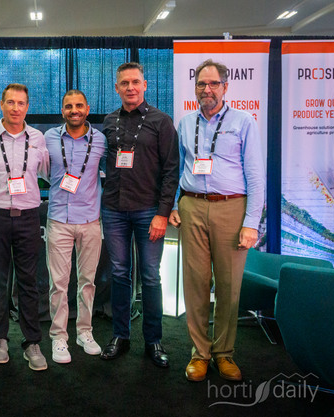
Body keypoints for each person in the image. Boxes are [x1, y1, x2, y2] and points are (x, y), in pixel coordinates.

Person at [169, 59, 265, 382]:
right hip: (192, 206)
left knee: (228, 285)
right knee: (195, 284)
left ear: (225, 87)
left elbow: (256, 176)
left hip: (231, 208)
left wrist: (251, 222)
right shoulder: (185, 123)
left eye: (213, 84)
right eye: (201, 84)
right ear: (195, 87)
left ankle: (224, 353)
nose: (206, 89)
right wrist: (174, 204)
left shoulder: (244, 122)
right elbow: (177, 167)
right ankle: (200, 353)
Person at [99, 62, 179, 368]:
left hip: (149, 211)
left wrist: (163, 214)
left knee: (150, 276)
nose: (130, 87)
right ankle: (121, 335)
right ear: (116, 88)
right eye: (124, 83)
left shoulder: (161, 121)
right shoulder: (109, 121)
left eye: (135, 82)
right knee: (120, 274)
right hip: (114, 210)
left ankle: (153, 340)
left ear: (145, 85)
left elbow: (171, 171)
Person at [0, 83, 50, 371]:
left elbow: (47, 173)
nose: (16, 108)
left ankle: (32, 343)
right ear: (1, 105)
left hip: (28, 217)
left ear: (27, 107)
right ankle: (0, 339)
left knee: (28, 282)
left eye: (21, 103)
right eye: (11, 102)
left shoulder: (38, 138)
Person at [44, 90, 106, 363]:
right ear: (62, 111)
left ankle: (84, 332)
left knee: (87, 282)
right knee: (58, 284)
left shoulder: (100, 140)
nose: (74, 110)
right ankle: (59, 336)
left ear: (87, 109)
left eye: (79, 105)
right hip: (59, 219)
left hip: (90, 220)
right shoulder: (48, 138)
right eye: (69, 106)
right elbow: (43, 170)